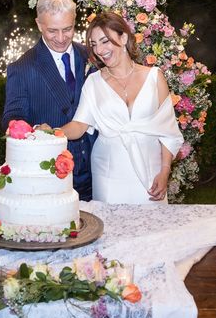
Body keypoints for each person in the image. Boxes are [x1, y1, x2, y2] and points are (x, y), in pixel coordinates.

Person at [45, 11, 184, 204]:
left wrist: (165, 171)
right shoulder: (93, 82)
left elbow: (168, 132)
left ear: (124, 37)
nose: (99, 50)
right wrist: (52, 132)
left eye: (105, 41)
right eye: (94, 45)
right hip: (108, 174)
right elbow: (79, 125)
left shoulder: (155, 77)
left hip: (151, 171)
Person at [2, 0, 95, 201]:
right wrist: (36, 132)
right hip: (50, 176)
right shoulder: (22, 68)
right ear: (38, 24)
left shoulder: (91, 56)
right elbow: (13, 116)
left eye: (68, 29)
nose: (61, 39)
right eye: (53, 31)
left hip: (98, 171)